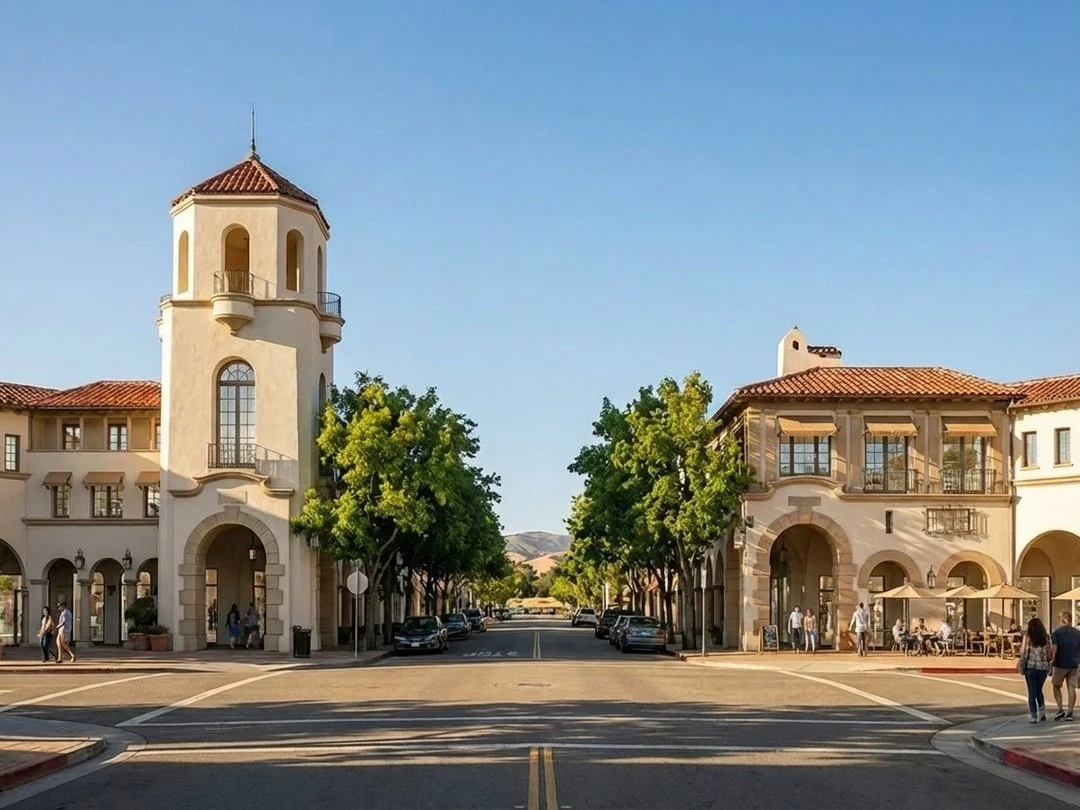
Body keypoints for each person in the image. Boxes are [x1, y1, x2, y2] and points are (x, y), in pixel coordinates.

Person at [1019, 616, 1053, 723]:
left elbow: (1025, 653)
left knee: (1031, 691)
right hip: (1043, 668)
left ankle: (1033, 715)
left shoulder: (1028, 637)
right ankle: (1042, 712)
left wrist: (1021, 665)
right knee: (1039, 690)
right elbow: (1049, 654)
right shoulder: (1046, 637)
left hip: (1031, 667)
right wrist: (1048, 665)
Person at [1051, 612, 1080, 721]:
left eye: (1059, 619)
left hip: (1060, 664)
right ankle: (1070, 712)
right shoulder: (1078, 633)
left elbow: (1054, 650)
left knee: (1056, 685)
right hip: (1074, 664)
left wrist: (1051, 664)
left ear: (1063, 619)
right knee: (1071, 688)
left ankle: (1060, 708)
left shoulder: (1057, 633)